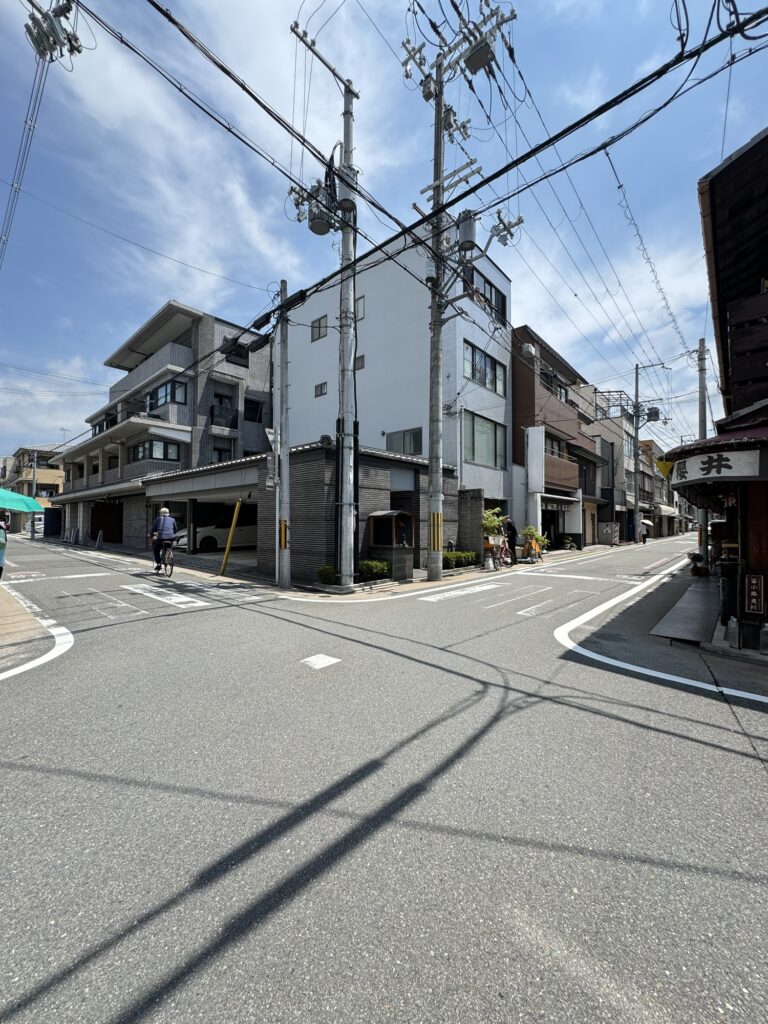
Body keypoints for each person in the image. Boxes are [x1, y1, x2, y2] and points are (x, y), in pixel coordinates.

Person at [149, 506, 177, 572]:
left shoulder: (158, 519)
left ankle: (159, 564)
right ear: (168, 513)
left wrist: (150, 534)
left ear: (161, 513)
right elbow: (175, 529)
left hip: (161, 537)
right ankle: (168, 556)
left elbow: (153, 529)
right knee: (168, 547)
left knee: (156, 550)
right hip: (171, 537)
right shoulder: (173, 520)